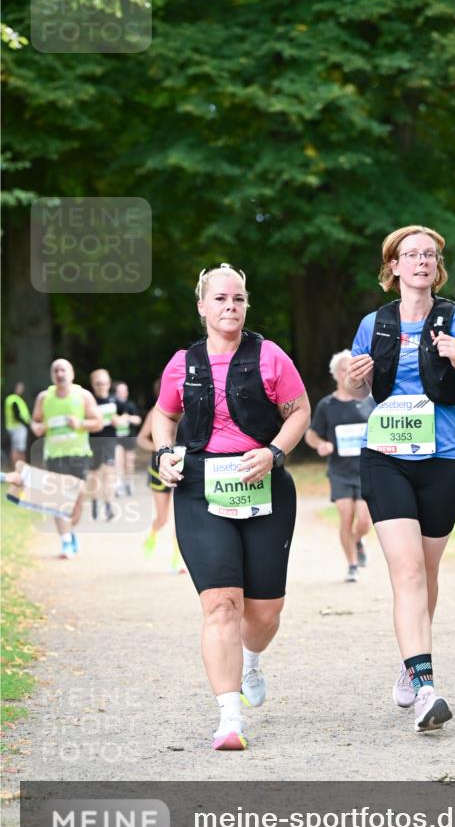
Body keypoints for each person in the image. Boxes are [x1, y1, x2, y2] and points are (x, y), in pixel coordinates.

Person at [152, 263, 310, 751]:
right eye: (220, 299)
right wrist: (163, 453)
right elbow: (164, 412)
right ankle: (228, 717)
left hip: (263, 483)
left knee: (262, 614)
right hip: (202, 488)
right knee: (221, 603)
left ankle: (251, 659)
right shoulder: (183, 363)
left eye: (238, 299)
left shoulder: (270, 357)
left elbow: (300, 410)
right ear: (202, 306)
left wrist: (275, 453)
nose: (230, 307)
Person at [347, 225, 455, 734]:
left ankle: (412, 664)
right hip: (385, 456)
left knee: (426, 577)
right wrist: (354, 379)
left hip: (443, 457)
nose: (420, 262)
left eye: (429, 255)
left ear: (437, 265)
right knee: (407, 571)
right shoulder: (373, 324)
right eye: (410, 255)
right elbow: (356, 389)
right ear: (392, 266)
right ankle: (427, 686)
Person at [305, 350, 373, 582]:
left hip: (367, 469)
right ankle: (352, 564)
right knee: (346, 515)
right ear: (336, 374)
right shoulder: (327, 404)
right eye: (343, 369)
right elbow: (311, 435)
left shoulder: (369, 401)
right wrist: (321, 444)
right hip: (340, 471)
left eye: (351, 368)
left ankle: (357, 540)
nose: (348, 372)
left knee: (364, 520)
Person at [30, 359, 102, 557]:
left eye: (63, 369)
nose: (60, 373)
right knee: (60, 499)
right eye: (56, 370)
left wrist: (80, 423)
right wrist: (37, 427)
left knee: (77, 502)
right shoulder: (44, 398)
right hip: (54, 455)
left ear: (71, 374)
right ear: (52, 375)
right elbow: (35, 422)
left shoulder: (83, 395)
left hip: (79, 454)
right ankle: (66, 541)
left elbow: (98, 422)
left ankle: (70, 531)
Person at [136, 386, 185, 574]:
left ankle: (177, 559)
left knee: (181, 518)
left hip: (184, 467)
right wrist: (162, 449)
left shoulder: (195, 408)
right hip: (160, 467)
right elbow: (141, 439)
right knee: (163, 518)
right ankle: (153, 533)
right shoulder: (157, 411)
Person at [87, 369, 121, 521]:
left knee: (108, 473)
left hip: (109, 441)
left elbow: (128, 416)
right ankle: (94, 500)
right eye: (98, 383)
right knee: (94, 475)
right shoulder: (89, 401)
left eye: (104, 383)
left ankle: (108, 505)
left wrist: (118, 421)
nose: (102, 386)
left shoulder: (115, 401)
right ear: (93, 385)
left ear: (109, 383)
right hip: (93, 441)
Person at [113, 381, 141, 496]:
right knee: (118, 462)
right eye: (120, 391)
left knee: (129, 463)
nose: (123, 393)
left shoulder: (130, 405)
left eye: (125, 390)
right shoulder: (112, 404)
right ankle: (119, 485)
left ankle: (128, 483)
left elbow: (138, 420)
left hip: (129, 437)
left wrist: (127, 418)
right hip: (116, 438)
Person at [4, 381, 31, 467]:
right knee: (18, 449)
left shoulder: (12, 399)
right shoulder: (14, 399)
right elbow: (17, 415)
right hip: (17, 427)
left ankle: (18, 468)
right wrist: (27, 423)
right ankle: (18, 468)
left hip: (14, 427)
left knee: (17, 448)